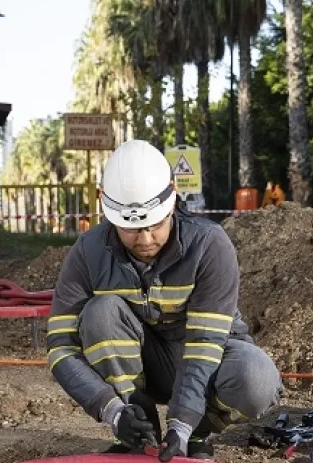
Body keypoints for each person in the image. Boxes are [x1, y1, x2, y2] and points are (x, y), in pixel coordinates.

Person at [46, 139, 283, 461]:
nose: (145, 240)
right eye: (130, 229)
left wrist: (183, 425)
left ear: (172, 197)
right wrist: (113, 410)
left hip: (206, 361)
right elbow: (61, 348)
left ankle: (198, 432)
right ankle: (138, 427)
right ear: (105, 205)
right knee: (100, 312)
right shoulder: (88, 252)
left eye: (155, 224)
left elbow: (204, 344)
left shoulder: (209, 245)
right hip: (141, 365)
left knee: (256, 379)